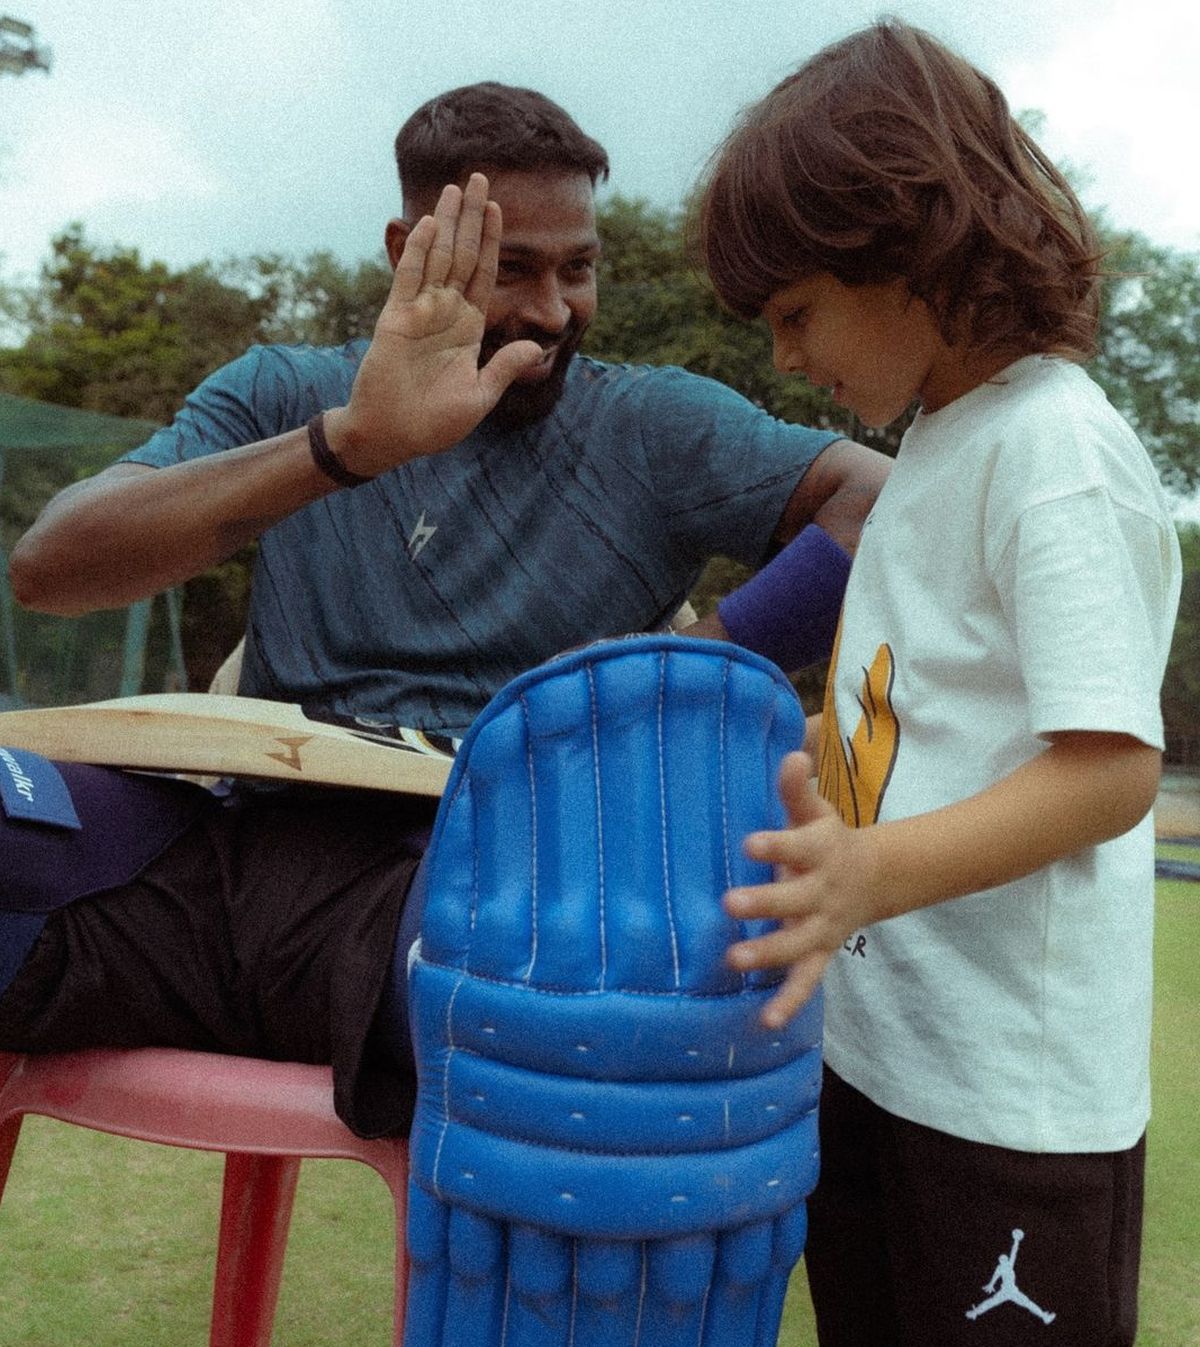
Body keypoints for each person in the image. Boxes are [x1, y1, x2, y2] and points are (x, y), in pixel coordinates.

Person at [2, 83, 887, 1140]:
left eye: (579, 268)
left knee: (567, 973)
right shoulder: (285, 393)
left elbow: (877, 502)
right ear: (406, 247)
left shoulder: (648, 422)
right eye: (511, 270)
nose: (553, 311)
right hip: (228, 860)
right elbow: (51, 568)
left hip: (477, 880)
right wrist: (348, 448)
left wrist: (666, 671)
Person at [696, 19, 1181, 1347]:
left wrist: (869, 871)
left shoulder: (1056, 448)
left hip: (1010, 1115)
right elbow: (894, 726)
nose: (788, 358)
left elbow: (1111, 767)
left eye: (797, 312)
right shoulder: (935, 451)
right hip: (875, 1062)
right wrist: (769, 757)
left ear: (905, 249)